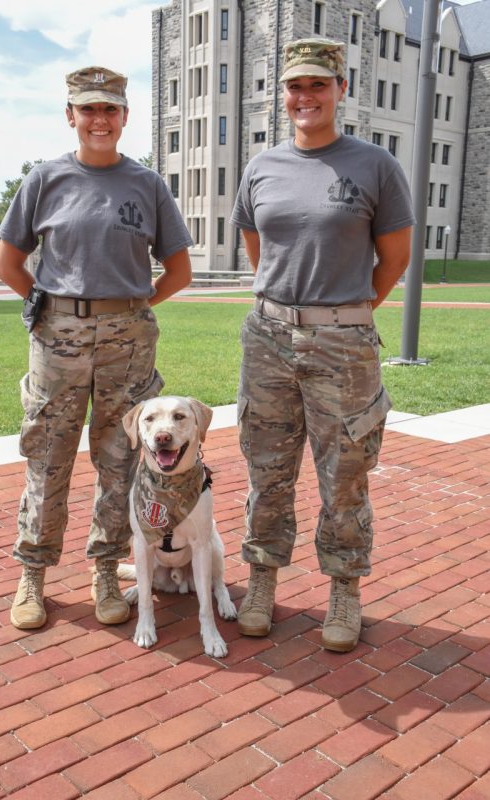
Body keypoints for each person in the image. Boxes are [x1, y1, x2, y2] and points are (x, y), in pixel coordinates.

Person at [230, 38, 415, 652]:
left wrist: (344, 313)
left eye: (317, 84)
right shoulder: (261, 167)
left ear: (341, 90)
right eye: (294, 86)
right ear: (282, 95)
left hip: (344, 343)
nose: (305, 96)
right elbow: (260, 251)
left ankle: (343, 589)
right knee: (266, 468)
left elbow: (394, 258)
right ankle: (261, 582)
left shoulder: (375, 166)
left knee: (345, 474)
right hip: (268, 339)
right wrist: (290, 307)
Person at [0, 66, 193, 630]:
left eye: (110, 109)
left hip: (127, 345)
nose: (99, 120)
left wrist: (131, 304)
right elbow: (8, 264)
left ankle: (106, 569)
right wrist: (52, 307)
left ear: (125, 117)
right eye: (88, 109)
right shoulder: (45, 178)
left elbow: (179, 269)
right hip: (57, 340)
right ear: (71, 116)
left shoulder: (147, 184)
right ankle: (32, 574)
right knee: (47, 457)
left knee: (122, 461)